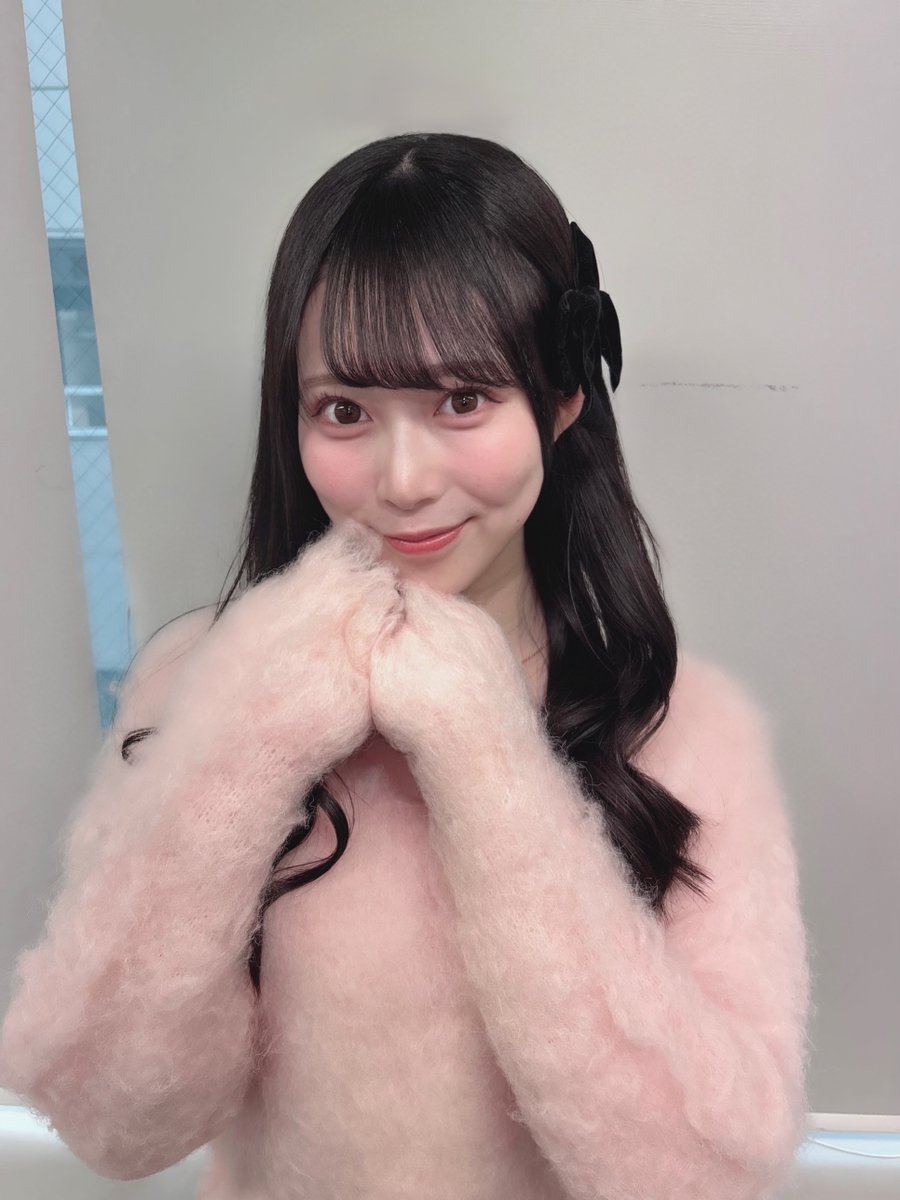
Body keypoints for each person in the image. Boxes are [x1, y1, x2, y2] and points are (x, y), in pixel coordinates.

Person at [0, 132, 812, 1200]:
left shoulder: (687, 729)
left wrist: (488, 759)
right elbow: (114, 1122)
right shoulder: (197, 683)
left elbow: (704, 1179)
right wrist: (245, 743)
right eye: (344, 410)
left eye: (462, 400)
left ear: (562, 397)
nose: (403, 480)